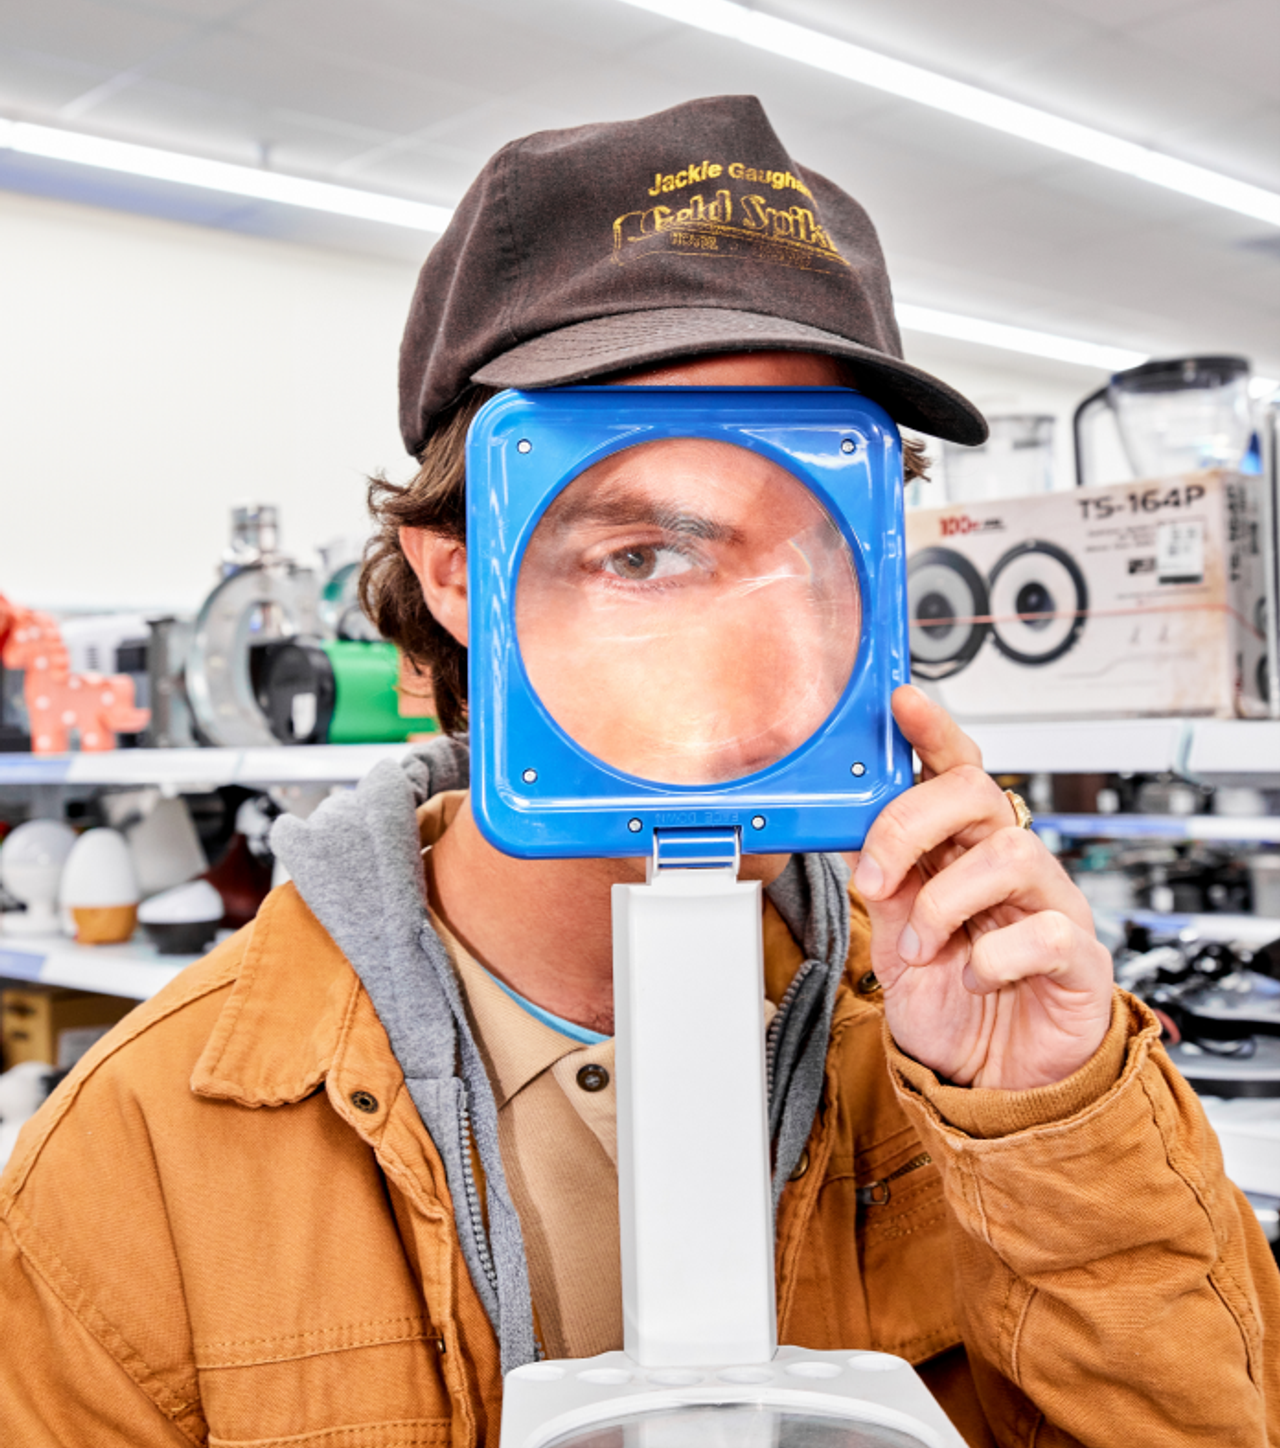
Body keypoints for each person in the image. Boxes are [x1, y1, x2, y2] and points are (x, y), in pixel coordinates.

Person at [1, 96, 1275, 1448]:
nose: (769, 664)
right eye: (644, 557)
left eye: (818, 548)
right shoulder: (140, 1158)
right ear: (455, 574)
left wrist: (1048, 1131)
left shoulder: (983, 1055)